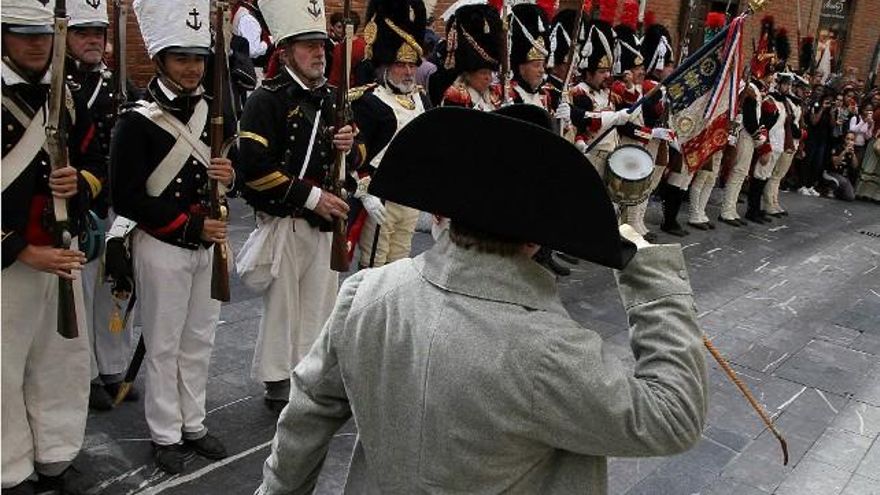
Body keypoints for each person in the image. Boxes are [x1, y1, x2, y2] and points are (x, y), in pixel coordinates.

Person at [255, 104, 709, 495]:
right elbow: (673, 417)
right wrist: (655, 284)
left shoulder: (366, 293)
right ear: (537, 240)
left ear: (444, 212)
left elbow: (308, 412)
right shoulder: (547, 350)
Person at [111, 0, 238, 474]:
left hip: (209, 241)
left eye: (198, 58)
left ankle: (194, 422)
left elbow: (232, 170)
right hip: (163, 243)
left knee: (199, 340)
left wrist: (230, 172)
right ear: (161, 60)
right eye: (181, 58)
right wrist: (188, 225)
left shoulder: (216, 110)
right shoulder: (136, 120)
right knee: (163, 344)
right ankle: (165, 433)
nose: (192, 68)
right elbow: (126, 197)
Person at [2, 0, 106, 492]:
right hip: (11, 259)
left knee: (61, 363)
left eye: (42, 34)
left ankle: (56, 454)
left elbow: (96, 162)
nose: (36, 43)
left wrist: (79, 185)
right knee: (3, 370)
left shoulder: (65, 94)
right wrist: (21, 249)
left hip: (60, 253)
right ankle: (10, 469)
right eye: (22, 34)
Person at [236, 0, 354, 413]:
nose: (318, 52)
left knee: (320, 306)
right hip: (286, 217)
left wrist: (349, 148)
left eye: (321, 44)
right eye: (306, 45)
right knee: (283, 309)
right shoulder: (265, 100)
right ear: (285, 51)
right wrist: (312, 197)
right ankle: (277, 380)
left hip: (324, 222)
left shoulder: (335, 98)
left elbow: (353, 161)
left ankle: (311, 373)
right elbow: (252, 167)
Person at [64, 0, 138, 412]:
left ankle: (113, 365)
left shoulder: (117, 85)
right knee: (82, 291)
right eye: (82, 33)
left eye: (99, 33)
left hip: (118, 203)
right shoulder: (62, 86)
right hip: (84, 204)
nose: (93, 40)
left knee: (117, 288)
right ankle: (88, 372)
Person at [349, 0, 431, 270]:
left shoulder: (421, 99)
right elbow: (352, 154)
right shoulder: (369, 101)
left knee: (401, 264)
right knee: (374, 266)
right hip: (380, 194)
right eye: (400, 64)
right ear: (385, 66)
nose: (408, 71)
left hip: (410, 192)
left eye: (411, 64)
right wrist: (364, 192)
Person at [438, 4, 503, 111]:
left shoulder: (493, 95)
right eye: (483, 73)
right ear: (468, 74)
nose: (489, 78)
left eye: (489, 73)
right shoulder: (456, 97)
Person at [763, 72, 805, 217]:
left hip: (790, 141)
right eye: (788, 84)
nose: (790, 87)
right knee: (775, 174)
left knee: (779, 175)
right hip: (784, 139)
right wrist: (799, 133)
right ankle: (769, 203)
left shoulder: (794, 101)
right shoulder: (785, 101)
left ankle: (774, 201)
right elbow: (790, 123)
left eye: (791, 85)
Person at [823, 131, 858, 200]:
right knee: (843, 181)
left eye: (852, 140)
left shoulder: (853, 150)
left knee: (850, 197)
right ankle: (827, 188)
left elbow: (855, 166)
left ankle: (836, 192)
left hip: (843, 176)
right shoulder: (837, 147)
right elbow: (835, 163)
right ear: (844, 139)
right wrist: (844, 151)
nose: (849, 141)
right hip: (831, 173)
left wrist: (853, 154)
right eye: (847, 139)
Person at [855, 127, 880, 201]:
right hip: (876, 140)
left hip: (876, 138)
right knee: (870, 167)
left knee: (875, 169)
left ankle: (872, 194)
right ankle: (862, 192)